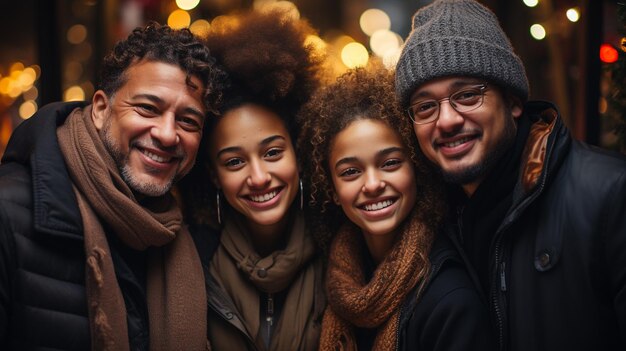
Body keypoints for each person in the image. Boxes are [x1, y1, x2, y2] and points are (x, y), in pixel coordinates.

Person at [394, 0, 626, 350]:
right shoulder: (429, 220)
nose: (446, 120)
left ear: (514, 101)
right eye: (425, 106)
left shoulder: (609, 194)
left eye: (468, 95)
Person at [0, 23, 226, 350]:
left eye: (188, 121)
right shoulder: (9, 213)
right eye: (148, 108)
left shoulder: (180, 233)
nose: (167, 134)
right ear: (102, 109)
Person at [297, 65, 494, 350]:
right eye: (351, 172)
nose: (373, 184)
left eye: (390, 163)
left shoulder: (451, 301)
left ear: (416, 170)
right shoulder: (334, 281)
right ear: (332, 190)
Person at [177, 9, 326, 351]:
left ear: (299, 154)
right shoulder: (190, 263)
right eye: (234, 162)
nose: (258, 177)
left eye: (273, 153)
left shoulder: (342, 252)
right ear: (214, 176)